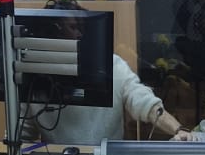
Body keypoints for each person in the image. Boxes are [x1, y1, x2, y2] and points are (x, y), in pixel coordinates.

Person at [22, 52, 195, 147]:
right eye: (70, 28)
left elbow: (142, 100)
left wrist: (178, 130)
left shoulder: (112, 65)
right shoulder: (35, 75)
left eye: (78, 28)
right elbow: (24, 133)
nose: (75, 34)